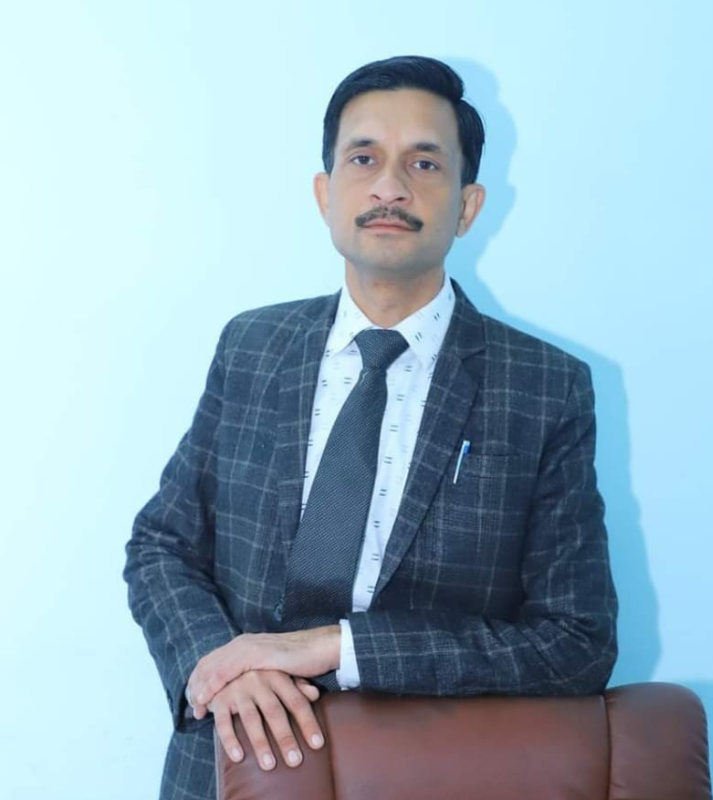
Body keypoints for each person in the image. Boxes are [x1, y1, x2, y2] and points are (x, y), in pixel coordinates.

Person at [124, 55, 618, 800]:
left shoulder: (545, 387)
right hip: (229, 766)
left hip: (424, 773)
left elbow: (576, 642)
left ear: (468, 206)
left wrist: (338, 648)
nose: (390, 187)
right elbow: (162, 545)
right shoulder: (252, 346)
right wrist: (223, 665)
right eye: (363, 159)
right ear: (325, 194)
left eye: (424, 162)